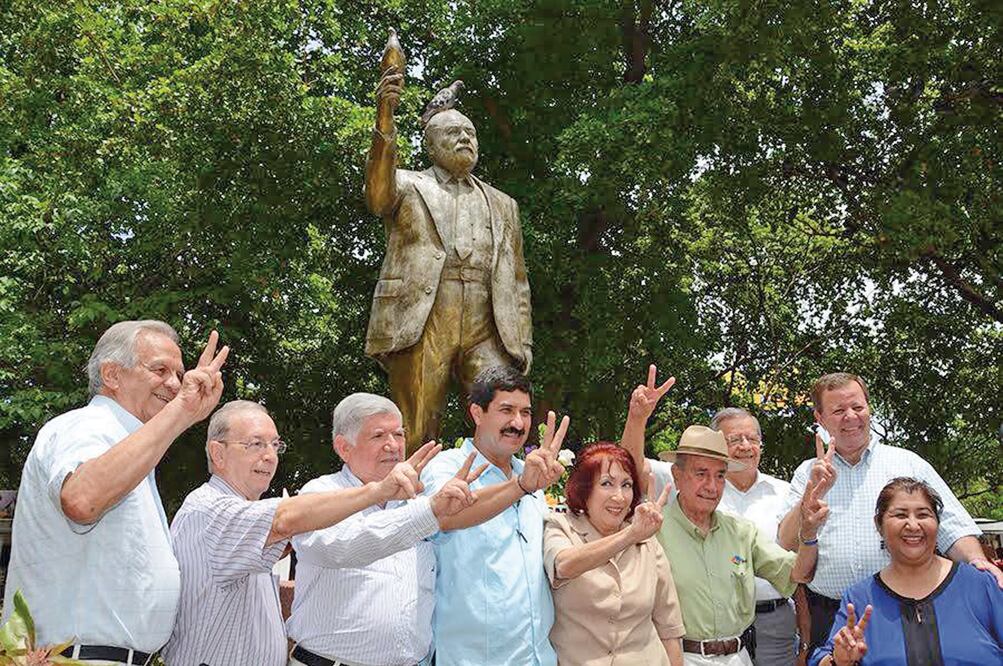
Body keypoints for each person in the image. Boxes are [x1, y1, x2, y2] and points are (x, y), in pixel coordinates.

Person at [2, 321, 228, 665]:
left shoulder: (131, 445)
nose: (174, 384)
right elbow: (81, 499)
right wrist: (181, 412)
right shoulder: (86, 426)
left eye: (179, 374)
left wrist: (180, 419)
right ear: (112, 374)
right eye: (160, 370)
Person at [163, 400, 444, 666]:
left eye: (275, 445)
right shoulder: (212, 510)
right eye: (255, 444)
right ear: (218, 453)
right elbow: (286, 520)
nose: (269, 456)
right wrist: (377, 492)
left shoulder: (242, 511)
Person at [364, 61, 533, 452]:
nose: (465, 139)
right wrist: (385, 116)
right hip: (424, 317)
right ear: (430, 144)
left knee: (504, 414)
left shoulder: (503, 204)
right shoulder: (407, 184)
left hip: (486, 324)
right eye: (453, 132)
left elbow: (518, 280)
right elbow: (376, 195)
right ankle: (406, 504)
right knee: (417, 424)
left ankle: (502, 495)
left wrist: (522, 342)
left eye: (470, 133)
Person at [776, 372, 1002, 653]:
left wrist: (978, 561)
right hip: (829, 612)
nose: (851, 417)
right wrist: (811, 493)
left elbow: (953, 526)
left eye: (858, 407)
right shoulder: (808, 472)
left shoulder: (908, 463)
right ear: (820, 418)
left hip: (898, 609)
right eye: (838, 410)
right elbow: (785, 542)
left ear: (869, 409)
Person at [285, 392, 511, 666]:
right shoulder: (320, 494)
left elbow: (465, 515)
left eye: (399, 434)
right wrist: (427, 511)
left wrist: (521, 486)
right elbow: (346, 546)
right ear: (344, 448)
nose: (393, 445)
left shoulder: (417, 499)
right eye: (378, 436)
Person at [419, 365, 568, 665]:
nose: (517, 422)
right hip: (471, 658)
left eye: (525, 413)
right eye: (506, 410)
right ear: (477, 412)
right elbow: (447, 516)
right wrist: (521, 486)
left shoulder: (532, 478)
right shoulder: (447, 468)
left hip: (536, 656)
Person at [657, 425, 826, 666]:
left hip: (739, 657)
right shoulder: (655, 531)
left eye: (719, 475)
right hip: (677, 657)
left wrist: (808, 533)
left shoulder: (741, 532)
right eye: (701, 473)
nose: (712, 486)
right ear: (676, 475)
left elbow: (798, 573)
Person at [810, 477, 1003, 665]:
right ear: (879, 525)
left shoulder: (980, 585)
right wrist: (840, 660)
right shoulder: (860, 598)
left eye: (923, 515)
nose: (913, 525)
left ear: (937, 523)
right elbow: (826, 657)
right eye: (900, 515)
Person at [544, 442, 685, 665]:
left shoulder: (647, 541)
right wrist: (630, 535)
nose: (619, 497)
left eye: (626, 485)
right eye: (607, 483)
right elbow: (564, 566)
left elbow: (669, 628)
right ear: (584, 488)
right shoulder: (560, 526)